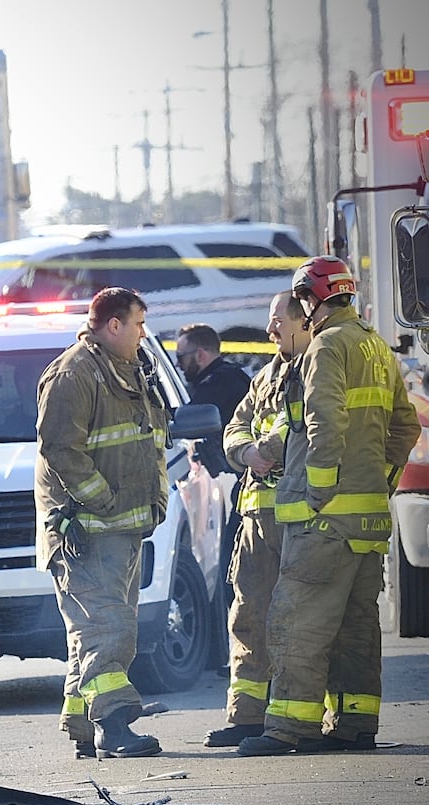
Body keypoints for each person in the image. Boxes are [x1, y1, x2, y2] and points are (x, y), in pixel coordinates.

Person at [238, 257, 418, 756]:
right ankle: (356, 724)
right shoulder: (377, 346)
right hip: (367, 518)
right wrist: (380, 481)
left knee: (298, 619)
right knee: (357, 626)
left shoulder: (326, 346)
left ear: (310, 300)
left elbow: (324, 423)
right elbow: (406, 427)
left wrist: (317, 495)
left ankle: (286, 728)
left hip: (325, 521)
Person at [35, 286, 167, 759]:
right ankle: (114, 726)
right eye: (138, 324)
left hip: (120, 531)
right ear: (113, 325)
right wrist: (103, 502)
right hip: (86, 534)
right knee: (106, 628)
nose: (142, 335)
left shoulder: (123, 370)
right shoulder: (75, 373)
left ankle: (81, 723)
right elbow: (60, 449)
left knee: (93, 630)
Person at [205, 292, 308, 746]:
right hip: (255, 518)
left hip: (297, 518)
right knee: (247, 615)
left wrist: (266, 451)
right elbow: (235, 426)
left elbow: (306, 429)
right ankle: (247, 716)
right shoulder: (265, 376)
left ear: (303, 322)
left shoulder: (316, 370)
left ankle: (293, 719)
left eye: (277, 321)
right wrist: (245, 451)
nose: (269, 331)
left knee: (294, 618)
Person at [176, 322, 251, 611]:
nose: (179, 365)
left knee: (234, 566)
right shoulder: (230, 377)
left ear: (201, 354)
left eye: (182, 357)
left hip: (244, 482)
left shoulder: (218, 385)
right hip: (237, 483)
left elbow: (190, 418)